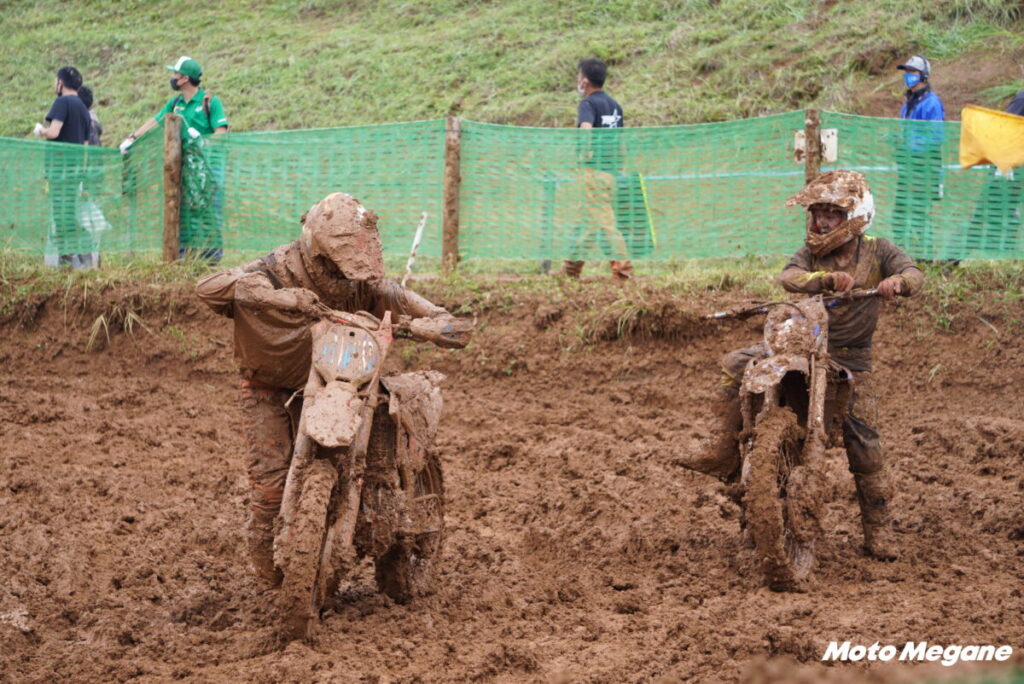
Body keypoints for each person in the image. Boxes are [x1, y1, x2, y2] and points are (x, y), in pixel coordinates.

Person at [195, 192, 473, 585]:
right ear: (315, 252)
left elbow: (419, 306)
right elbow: (208, 286)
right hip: (269, 388)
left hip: (341, 385)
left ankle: (388, 511)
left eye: (349, 270)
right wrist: (276, 296)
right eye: (334, 267)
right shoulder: (275, 270)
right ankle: (273, 578)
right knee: (269, 488)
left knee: (380, 443)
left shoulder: (365, 283)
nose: (343, 278)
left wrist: (435, 322)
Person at [677, 170, 924, 561]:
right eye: (817, 213)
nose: (821, 221)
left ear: (855, 216)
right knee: (736, 363)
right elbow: (789, 277)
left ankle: (878, 528)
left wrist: (898, 284)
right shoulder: (810, 255)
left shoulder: (878, 250)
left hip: (851, 356)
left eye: (832, 213)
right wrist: (824, 279)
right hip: (802, 344)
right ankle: (724, 447)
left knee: (865, 444)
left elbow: (913, 272)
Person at [121, 56, 229, 262]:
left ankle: (212, 256)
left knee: (209, 210)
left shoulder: (210, 102)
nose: (172, 77)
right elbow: (157, 120)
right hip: (184, 168)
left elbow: (221, 132)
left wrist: (204, 143)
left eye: (175, 74)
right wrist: (133, 138)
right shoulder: (175, 103)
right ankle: (185, 254)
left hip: (209, 168)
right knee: (184, 210)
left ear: (185, 78)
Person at [562, 58, 634, 281]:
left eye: (579, 77)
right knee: (586, 221)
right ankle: (570, 270)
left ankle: (624, 271)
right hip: (611, 172)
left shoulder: (587, 104)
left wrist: (584, 154)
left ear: (584, 81)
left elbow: (586, 129)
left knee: (603, 222)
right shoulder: (615, 106)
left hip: (593, 172)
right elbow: (620, 140)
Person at [33, 66, 94, 269]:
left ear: (61, 83)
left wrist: (40, 130)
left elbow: (54, 132)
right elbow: (85, 146)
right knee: (69, 211)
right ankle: (76, 254)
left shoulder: (62, 102)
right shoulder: (84, 110)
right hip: (75, 171)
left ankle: (71, 255)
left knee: (61, 214)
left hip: (59, 170)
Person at [892, 54, 945, 256]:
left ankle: (925, 257)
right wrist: (896, 140)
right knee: (900, 213)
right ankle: (901, 255)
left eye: (912, 72)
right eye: (906, 72)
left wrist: (911, 146)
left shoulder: (931, 103)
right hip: (907, 168)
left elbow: (937, 137)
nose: (908, 75)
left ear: (923, 75)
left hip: (924, 167)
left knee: (919, 214)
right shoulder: (907, 104)